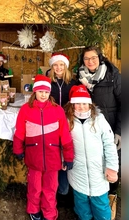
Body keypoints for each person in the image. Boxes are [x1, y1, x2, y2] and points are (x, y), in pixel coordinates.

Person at [13, 75, 74, 220]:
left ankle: (50, 214)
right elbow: (20, 131)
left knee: (50, 189)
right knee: (34, 187)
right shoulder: (26, 110)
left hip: (52, 159)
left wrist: (68, 156)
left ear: (49, 93)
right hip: (34, 158)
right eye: (40, 91)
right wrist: (18, 149)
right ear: (35, 92)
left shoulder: (57, 110)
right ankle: (33, 209)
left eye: (46, 92)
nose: (43, 95)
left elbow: (65, 135)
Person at [77, 46, 121, 220]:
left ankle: (110, 201)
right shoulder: (80, 78)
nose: (90, 62)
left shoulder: (112, 76)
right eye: (86, 59)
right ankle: (87, 205)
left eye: (93, 58)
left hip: (110, 130)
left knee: (110, 165)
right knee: (92, 165)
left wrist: (119, 131)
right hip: (89, 133)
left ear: (100, 58)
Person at [64, 85, 119, 220]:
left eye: (84, 103)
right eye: (77, 103)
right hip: (77, 171)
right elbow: (63, 144)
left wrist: (112, 167)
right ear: (72, 104)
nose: (81, 106)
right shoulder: (67, 121)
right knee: (81, 202)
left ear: (89, 103)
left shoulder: (99, 120)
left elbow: (109, 145)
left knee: (100, 203)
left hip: (98, 173)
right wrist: (63, 159)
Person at [46, 52, 77, 206]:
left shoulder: (72, 83)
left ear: (65, 67)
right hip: (51, 123)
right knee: (54, 152)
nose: (58, 68)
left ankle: (66, 187)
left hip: (68, 123)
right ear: (52, 67)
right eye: (55, 65)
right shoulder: (48, 83)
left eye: (61, 65)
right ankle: (55, 187)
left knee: (67, 151)